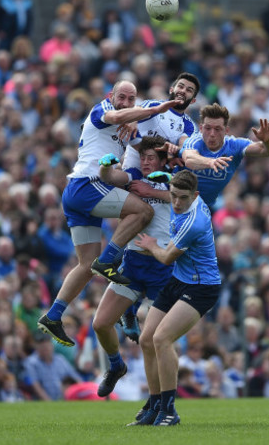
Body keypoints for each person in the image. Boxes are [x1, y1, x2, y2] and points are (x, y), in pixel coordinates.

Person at [37, 80, 181, 347]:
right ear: (110, 96)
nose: (126, 103)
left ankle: (54, 315)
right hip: (87, 185)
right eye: (122, 97)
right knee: (143, 211)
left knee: (84, 265)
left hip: (77, 195)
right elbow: (116, 116)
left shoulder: (127, 127)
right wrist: (156, 109)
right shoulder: (101, 111)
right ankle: (108, 261)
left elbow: (149, 148)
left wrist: (176, 150)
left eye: (131, 99)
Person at [132, 170, 221, 426]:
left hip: (201, 287)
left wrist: (150, 245)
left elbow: (166, 257)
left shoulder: (193, 222)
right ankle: (154, 405)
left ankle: (169, 411)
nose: (177, 203)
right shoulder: (183, 194)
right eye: (173, 196)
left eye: (183, 198)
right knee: (146, 339)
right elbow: (174, 182)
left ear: (195, 196)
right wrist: (165, 176)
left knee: (162, 338)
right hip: (180, 280)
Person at [118, 71, 201, 342]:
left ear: (193, 97)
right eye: (180, 85)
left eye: (189, 89)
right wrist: (131, 123)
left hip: (158, 171)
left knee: (154, 220)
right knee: (135, 215)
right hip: (134, 166)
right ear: (171, 87)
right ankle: (119, 278)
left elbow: (183, 149)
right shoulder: (148, 106)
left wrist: (178, 151)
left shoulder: (188, 126)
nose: (183, 91)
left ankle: (132, 302)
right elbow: (127, 118)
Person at [91, 136, 173, 398]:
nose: (146, 162)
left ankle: (161, 402)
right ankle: (116, 366)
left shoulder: (172, 177)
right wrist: (105, 167)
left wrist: (151, 192)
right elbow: (111, 178)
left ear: (162, 160)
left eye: (152, 158)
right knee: (101, 324)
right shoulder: (134, 175)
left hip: (163, 266)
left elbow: (189, 195)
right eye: (144, 157)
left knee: (158, 341)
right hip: (134, 262)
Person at [180, 103, 269, 211]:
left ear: (226, 131)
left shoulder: (234, 145)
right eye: (208, 128)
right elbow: (189, 159)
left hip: (205, 207)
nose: (212, 134)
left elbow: (268, 150)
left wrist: (268, 141)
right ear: (201, 128)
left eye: (217, 129)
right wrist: (211, 162)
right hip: (177, 201)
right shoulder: (195, 141)